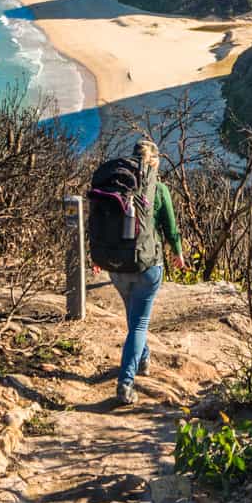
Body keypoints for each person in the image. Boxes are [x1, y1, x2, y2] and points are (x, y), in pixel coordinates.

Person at [108, 139, 185, 405]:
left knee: (134, 318)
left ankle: (142, 358)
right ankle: (126, 382)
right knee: (139, 323)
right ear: (154, 162)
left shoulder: (116, 187)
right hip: (148, 267)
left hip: (116, 267)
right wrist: (178, 253)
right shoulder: (159, 189)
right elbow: (171, 228)